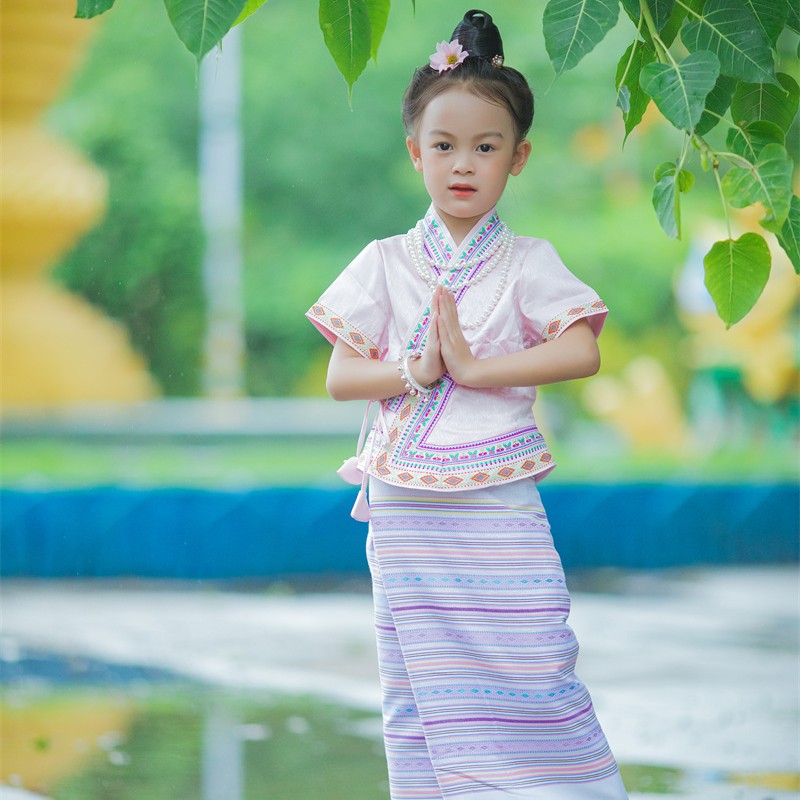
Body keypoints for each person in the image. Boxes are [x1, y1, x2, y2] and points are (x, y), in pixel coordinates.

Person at [306, 9, 628, 799]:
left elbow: (581, 349)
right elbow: (343, 377)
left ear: (517, 159)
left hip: (499, 497)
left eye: (485, 147)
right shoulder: (383, 262)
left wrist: (481, 369)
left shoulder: (529, 261)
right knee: (418, 683)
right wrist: (418, 369)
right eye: (444, 145)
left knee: (537, 658)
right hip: (407, 504)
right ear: (415, 151)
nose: (463, 164)